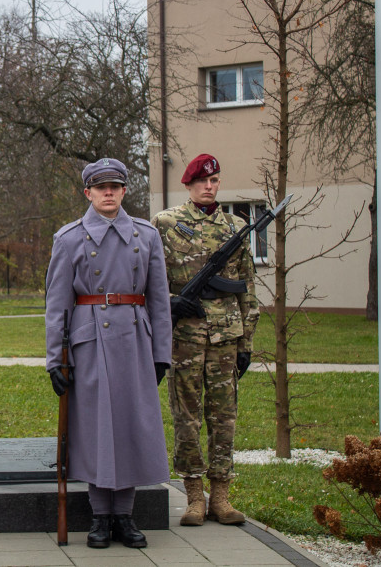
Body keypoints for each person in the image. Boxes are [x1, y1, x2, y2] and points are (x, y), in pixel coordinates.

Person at [44, 158, 173, 550]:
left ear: (124, 190)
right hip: (89, 343)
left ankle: (125, 516)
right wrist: (55, 359)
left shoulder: (146, 236)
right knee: (97, 428)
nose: (109, 193)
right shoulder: (68, 239)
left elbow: (159, 300)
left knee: (131, 424)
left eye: (115, 186)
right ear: (88, 192)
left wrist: (161, 354)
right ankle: (100, 517)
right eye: (101, 187)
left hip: (135, 340)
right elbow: (57, 306)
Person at [151, 153, 260, 526]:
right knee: (186, 418)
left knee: (224, 418)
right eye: (202, 182)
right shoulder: (166, 223)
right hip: (184, 337)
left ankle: (222, 497)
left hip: (226, 336)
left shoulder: (236, 226)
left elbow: (247, 286)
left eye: (214, 181)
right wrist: (170, 304)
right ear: (189, 184)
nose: (209, 187)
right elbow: (150, 281)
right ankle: (194, 496)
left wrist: (246, 343)